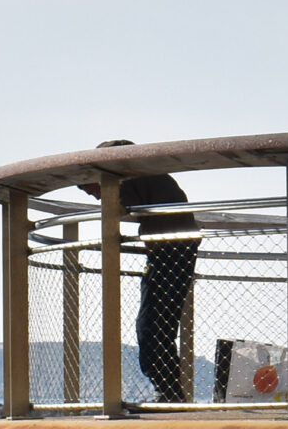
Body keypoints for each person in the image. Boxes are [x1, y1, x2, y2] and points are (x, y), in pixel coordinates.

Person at [83, 142, 201, 403]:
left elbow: (119, 206)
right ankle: (170, 394)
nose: (97, 197)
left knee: (150, 328)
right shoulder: (150, 179)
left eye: (94, 190)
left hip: (169, 253)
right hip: (174, 250)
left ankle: (169, 394)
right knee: (158, 327)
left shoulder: (129, 179)